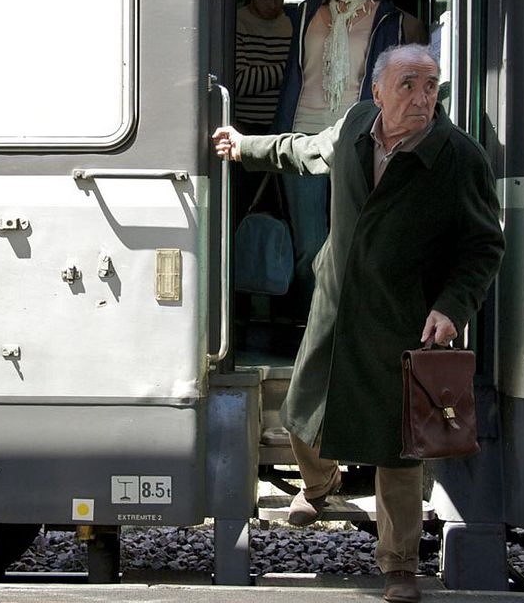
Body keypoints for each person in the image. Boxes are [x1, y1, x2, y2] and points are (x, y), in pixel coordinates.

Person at [213, 44, 505, 603]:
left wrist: (451, 306)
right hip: (335, 308)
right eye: (409, 85)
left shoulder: (457, 157)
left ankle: (398, 565)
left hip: (404, 322)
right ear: (377, 92)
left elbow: (484, 245)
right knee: (301, 415)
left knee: (398, 452)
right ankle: (320, 485)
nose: (423, 97)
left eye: (431, 85)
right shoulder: (352, 128)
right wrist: (244, 146)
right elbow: (302, 151)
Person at [272, 0, 425, 530]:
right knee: (315, 250)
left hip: (356, 144)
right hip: (306, 133)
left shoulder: (390, 18)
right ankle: (321, 344)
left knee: (338, 247)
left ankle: (334, 350)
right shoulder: (305, 13)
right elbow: (293, 76)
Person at [233, 0, 292, 230]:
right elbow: (242, 83)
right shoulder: (237, 23)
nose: (274, 4)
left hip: (284, 132)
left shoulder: (292, 24)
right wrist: (287, 70)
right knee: (242, 212)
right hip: (245, 132)